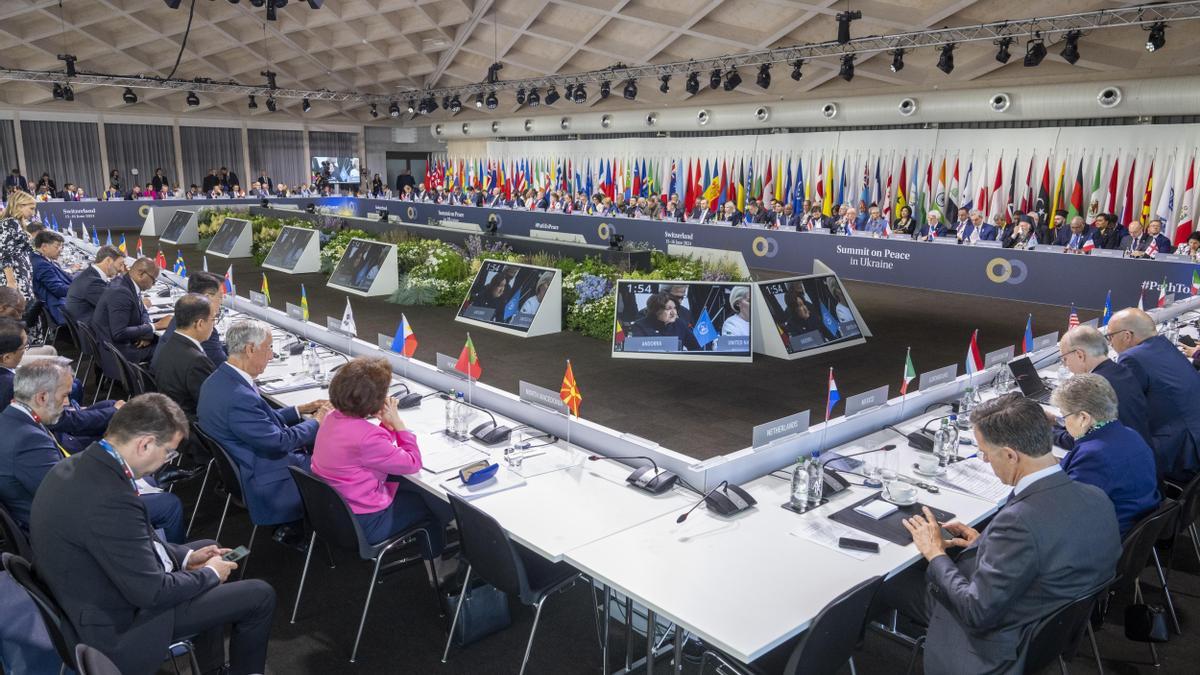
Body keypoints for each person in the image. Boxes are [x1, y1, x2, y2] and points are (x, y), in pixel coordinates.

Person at [30, 393, 275, 675]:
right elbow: (152, 592)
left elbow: (132, 541)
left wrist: (186, 558)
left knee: (207, 547)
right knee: (260, 595)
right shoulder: (111, 500)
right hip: (118, 625)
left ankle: (213, 667)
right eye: (169, 452)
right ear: (145, 444)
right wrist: (209, 574)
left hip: (93, 590)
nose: (168, 461)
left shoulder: (81, 466)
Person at [894, 393, 1121, 675]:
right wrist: (984, 544)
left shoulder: (1020, 522)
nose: (985, 459)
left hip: (994, 646)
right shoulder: (1096, 497)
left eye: (986, 454)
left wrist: (935, 553)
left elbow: (976, 612)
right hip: (1045, 632)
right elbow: (1049, 551)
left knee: (890, 583)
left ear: (1011, 455)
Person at [0, 358, 179, 536]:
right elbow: (67, 498)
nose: (66, 403)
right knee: (168, 506)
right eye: (64, 396)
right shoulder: (28, 441)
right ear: (42, 397)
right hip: (64, 527)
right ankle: (171, 562)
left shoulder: (14, 419)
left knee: (145, 481)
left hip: (53, 509)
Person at [197, 320, 330, 545]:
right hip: (270, 475)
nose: (271, 355)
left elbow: (261, 420)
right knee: (340, 461)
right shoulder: (239, 396)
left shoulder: (219, 380)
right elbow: (278, 441)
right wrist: (318, 421)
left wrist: (300, 410)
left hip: (248, 464)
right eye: (268, 347)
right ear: (250, 349)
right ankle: (346, 526)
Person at [311, 359, 456, 563]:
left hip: (336, 513)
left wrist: (385, 426)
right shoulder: (366, 438)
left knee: (411, 488)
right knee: (432, 505)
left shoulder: (332, 417)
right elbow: (413, 462)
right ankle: (438, 567)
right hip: (365, 522)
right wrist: (398, 425)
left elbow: (370, 450)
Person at [1049, 373, 1159, 535]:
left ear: (1083, 418)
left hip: (1107, 539)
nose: (1064, 423)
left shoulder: (1093, 456)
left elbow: (1065, 509)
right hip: (1137, 527)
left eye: (1064, 416)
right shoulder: (1129, 433)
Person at [1107, 308, 1200, 480]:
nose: (1110, 343)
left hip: (1179, 450)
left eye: (1110, 336)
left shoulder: (1131, 357)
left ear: (1127, 335)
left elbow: (1126, 406)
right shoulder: (1164, 345)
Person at [1056, 325, 1150, 447]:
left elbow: (1077, 437)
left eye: (1065, 359)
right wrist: (1058, 420)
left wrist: (1047, 430)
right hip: (1139, 448)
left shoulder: (1093, 386)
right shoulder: (1122, 370)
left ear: (1080, 355)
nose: (1066, 366)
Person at [152, 294, 217, 423]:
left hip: (170, 418)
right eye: (213, 319)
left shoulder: (169, 344)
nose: (214, 324)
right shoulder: (197, 361)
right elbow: (212, 405)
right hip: (190, 428)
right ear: (199, 324)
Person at [92, 257, 171, 364]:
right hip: (120, 352)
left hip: (122, 344)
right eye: (153, 280)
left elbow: (142, 310)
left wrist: (146, 333)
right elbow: (119, 333)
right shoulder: (120, 292)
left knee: (163, 342)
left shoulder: (126, 283)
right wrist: (156, 326)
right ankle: (152, 380)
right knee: (170, 349)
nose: (153, 284)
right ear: (141, 274)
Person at [152, 270, 227, 369]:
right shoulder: (203, 330)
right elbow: (224, 367)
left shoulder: (180, 317)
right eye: (220, 297)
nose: (221, 302)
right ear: (207, 298)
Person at [64, 244, 123, 325]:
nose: (121, 269)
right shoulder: (92, 283)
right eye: (120, 264)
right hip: (93, 332)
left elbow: (107, 291)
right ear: (108, 261)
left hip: (84, 322)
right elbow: (115, 306)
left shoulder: (89, 274)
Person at [628, 292, 698, 350]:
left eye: (675, 308)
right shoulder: (639, 326)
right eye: (668, 309)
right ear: (656, 310)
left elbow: (696, 349)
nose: (673, 313)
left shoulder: (680, 324)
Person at [30, 230, 72, 325]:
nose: (60, 250)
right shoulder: (41, 264)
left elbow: (64, 276)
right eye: (57, 246)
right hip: (59, 308)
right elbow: (58, 289)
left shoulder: (40, 259)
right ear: (44, 246)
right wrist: (79, 288)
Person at [0, 190, 36, 300]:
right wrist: (11, 283)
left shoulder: (17, 223)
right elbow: (5, 254)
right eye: (31, 208)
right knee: (19, 313)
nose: (33, 213)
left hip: (21, 276)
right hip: (15, 278)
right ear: (19, 206)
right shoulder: (9, 223)